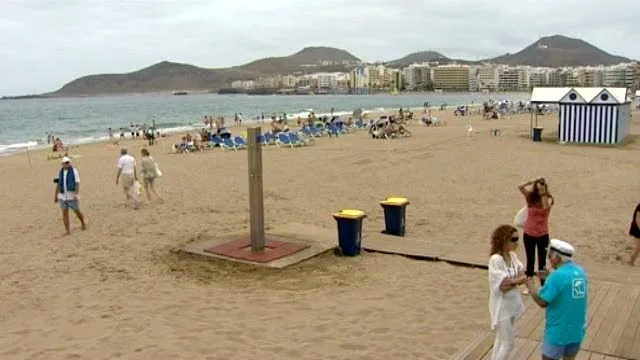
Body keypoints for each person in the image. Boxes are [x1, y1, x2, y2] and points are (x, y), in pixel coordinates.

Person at [526, 239, 587, 360]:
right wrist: (549, 277)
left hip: (558, 333)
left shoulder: (557, 276)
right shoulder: (580, 271)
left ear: (557, 258)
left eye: (549, 255)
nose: (548, 258)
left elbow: (542, 301)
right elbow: (566, 288)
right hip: (576, 331)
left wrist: (531, 286)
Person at [488, 225, 527, 360]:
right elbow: (503, 286)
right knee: (508, 343)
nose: (517, 243)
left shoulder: (513, 256)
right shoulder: (496, 259)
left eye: (517, 239)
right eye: (513, 239)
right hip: (501, 306)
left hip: (512, 304)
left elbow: (521, 274)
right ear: (504, 240)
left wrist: (514, 280)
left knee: (501, 338)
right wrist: (518, 280)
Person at [518, 177, 554, 287]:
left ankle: (543, 285)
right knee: (530, 260)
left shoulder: (547, 199)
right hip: (529, 234)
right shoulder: (530, 198)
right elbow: (520, 187)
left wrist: (543, 192)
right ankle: (529, 284)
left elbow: (545, 207)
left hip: (542, 234)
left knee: (542, 262)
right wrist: (531, 181)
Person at [54, 157, 86, 235]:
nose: (67, 164)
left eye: (68, 162)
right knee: (65, 213)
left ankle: (83, 223)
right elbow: (58, 184)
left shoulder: (74, 171)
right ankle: (67, 230)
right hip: (62, 196)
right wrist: (56, 195)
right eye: (65, 163)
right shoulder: (60, 172)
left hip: (72, 196)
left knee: (77, 211)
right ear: (62, 164)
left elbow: (77, 183)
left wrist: (76, 194)